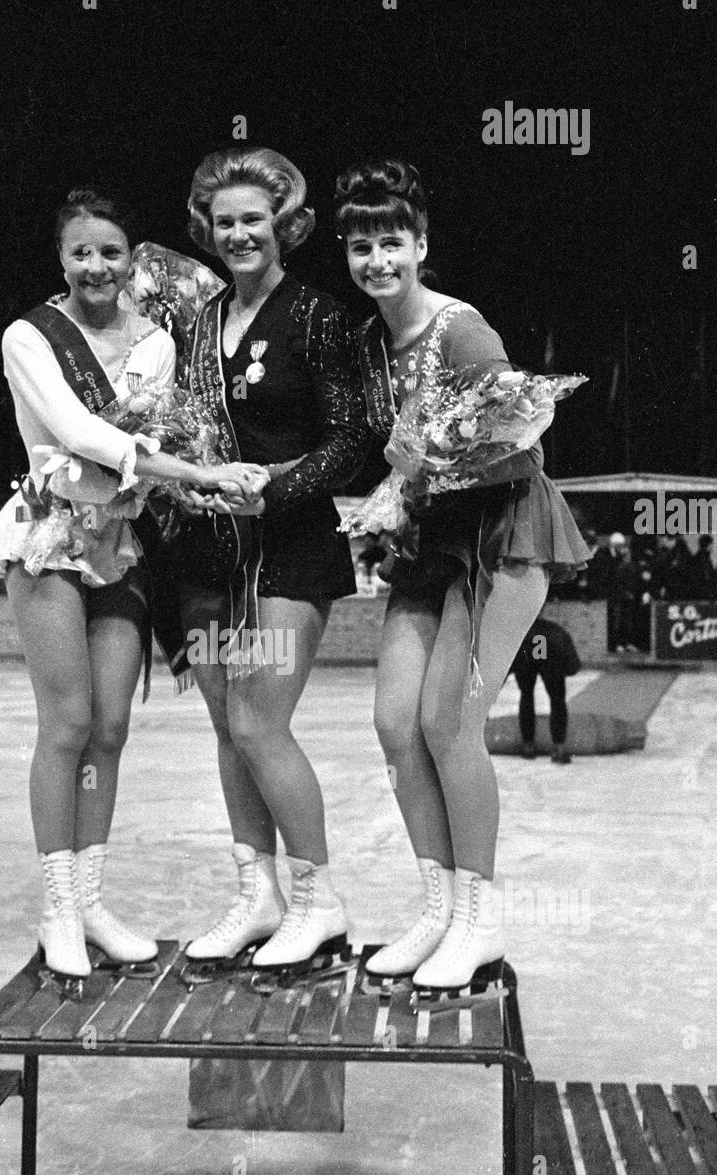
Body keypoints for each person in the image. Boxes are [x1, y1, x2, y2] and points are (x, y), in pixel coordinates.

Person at [0, 187, 266, 985]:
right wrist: (191, 469)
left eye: (112, 252)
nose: (96, 266)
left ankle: (94, 901)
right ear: (61, 258)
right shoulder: (29, 337)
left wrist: (204, 486)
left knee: (110, 729)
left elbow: (146, 435)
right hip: (50, 533)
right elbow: (81, 436)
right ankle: (57, 909)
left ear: (132, 261)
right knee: (66, 725)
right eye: (81, 252)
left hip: (120, 544)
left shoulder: (156, 345)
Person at [335, 156, 591, 991]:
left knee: (449, 723)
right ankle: (437, 906)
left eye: (392, 242)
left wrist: (429, 466)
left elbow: (524, 440)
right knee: (395, 726)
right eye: (361, 245)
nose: (377, 260)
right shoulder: (371, 339)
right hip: (430, 549)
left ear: (420, 243)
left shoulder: (462, 328)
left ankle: (480, 920)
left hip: (503, 540)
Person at [178, 148, 368, 974]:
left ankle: (319, 902)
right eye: (225, 223)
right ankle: (256, 895)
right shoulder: (196, 320)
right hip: (209, 553)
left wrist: (278, 489)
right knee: (229, 727)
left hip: (291, 548)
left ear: (285, 225)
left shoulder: (318, 315)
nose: (239, 233)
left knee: (260, 720)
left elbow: (356, 437)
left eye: (254, 219)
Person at [510, 615, 581, 764]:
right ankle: (558, 747)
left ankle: (528, 745)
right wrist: (569, 669)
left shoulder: (521, 630)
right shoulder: (554, 630)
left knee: (526, 695)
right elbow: (572, 661)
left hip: (526, 650)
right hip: (550, 651)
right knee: (557, 699)